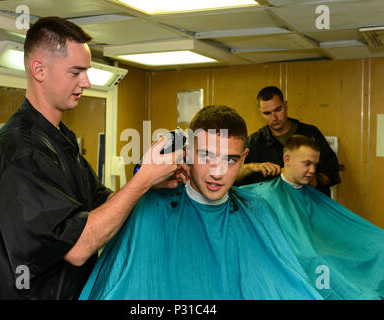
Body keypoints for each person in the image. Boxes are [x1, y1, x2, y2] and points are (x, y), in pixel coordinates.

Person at [0, 17, 188, 300]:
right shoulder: (21, 151)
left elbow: (100, 207)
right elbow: (77, 247)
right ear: (39, 69)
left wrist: (150, 181)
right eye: (75, 72)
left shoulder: (59, 139)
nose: (86, 82)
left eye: (86, 72)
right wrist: (142, 180)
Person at [79, 106, 324, 300]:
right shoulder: (151, 208)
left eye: (230, 159)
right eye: (206, 156)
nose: (218, 172)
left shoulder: (258, 210)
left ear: (244, 159)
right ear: (187, 152)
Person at [240, 135, 384, 300]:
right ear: (287, 159)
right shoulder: (263, 194)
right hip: (306, 259)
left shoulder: (312, 196)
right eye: (307, 164)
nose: (313, 170)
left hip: (323, 249)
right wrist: (249, 168)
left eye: (315, 165)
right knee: (317, 259)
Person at [235, 86, 340, 197]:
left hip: (310, 206)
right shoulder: (254, 143)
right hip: (272, 210)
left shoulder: (311, 134)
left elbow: (332, 173)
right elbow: (231, 175)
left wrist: (315, 179)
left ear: (285, 105)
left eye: (278, 110)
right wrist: (252, 167)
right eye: (267, 113)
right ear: (260, 112)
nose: (274, 118)